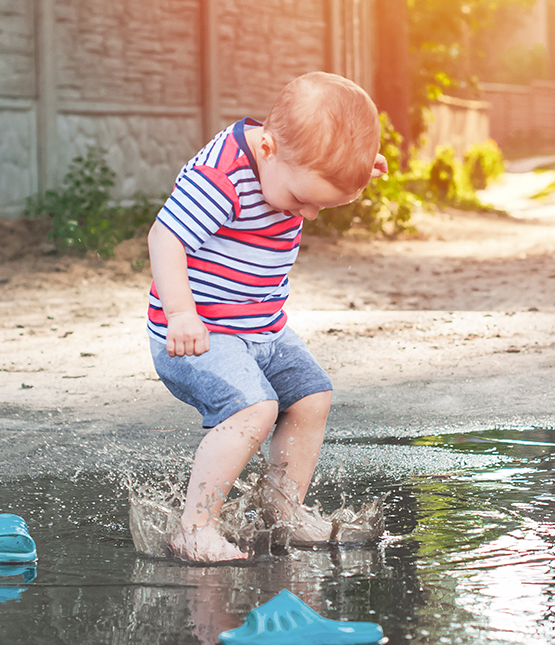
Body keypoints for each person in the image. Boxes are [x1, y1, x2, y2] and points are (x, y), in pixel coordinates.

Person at [146, 71, 386, 563]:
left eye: (324, 204)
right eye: (303, 200)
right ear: (270, 149)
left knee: (312, 396)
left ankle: (283, 510)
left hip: (263, 329)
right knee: (256, 409)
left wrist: (352, 168)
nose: (310, 215)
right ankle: (194, 528)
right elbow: (164, 238)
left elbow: (321, 173)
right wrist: (180, 313)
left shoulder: (293, 160)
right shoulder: (222, 177)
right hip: (201, 332)